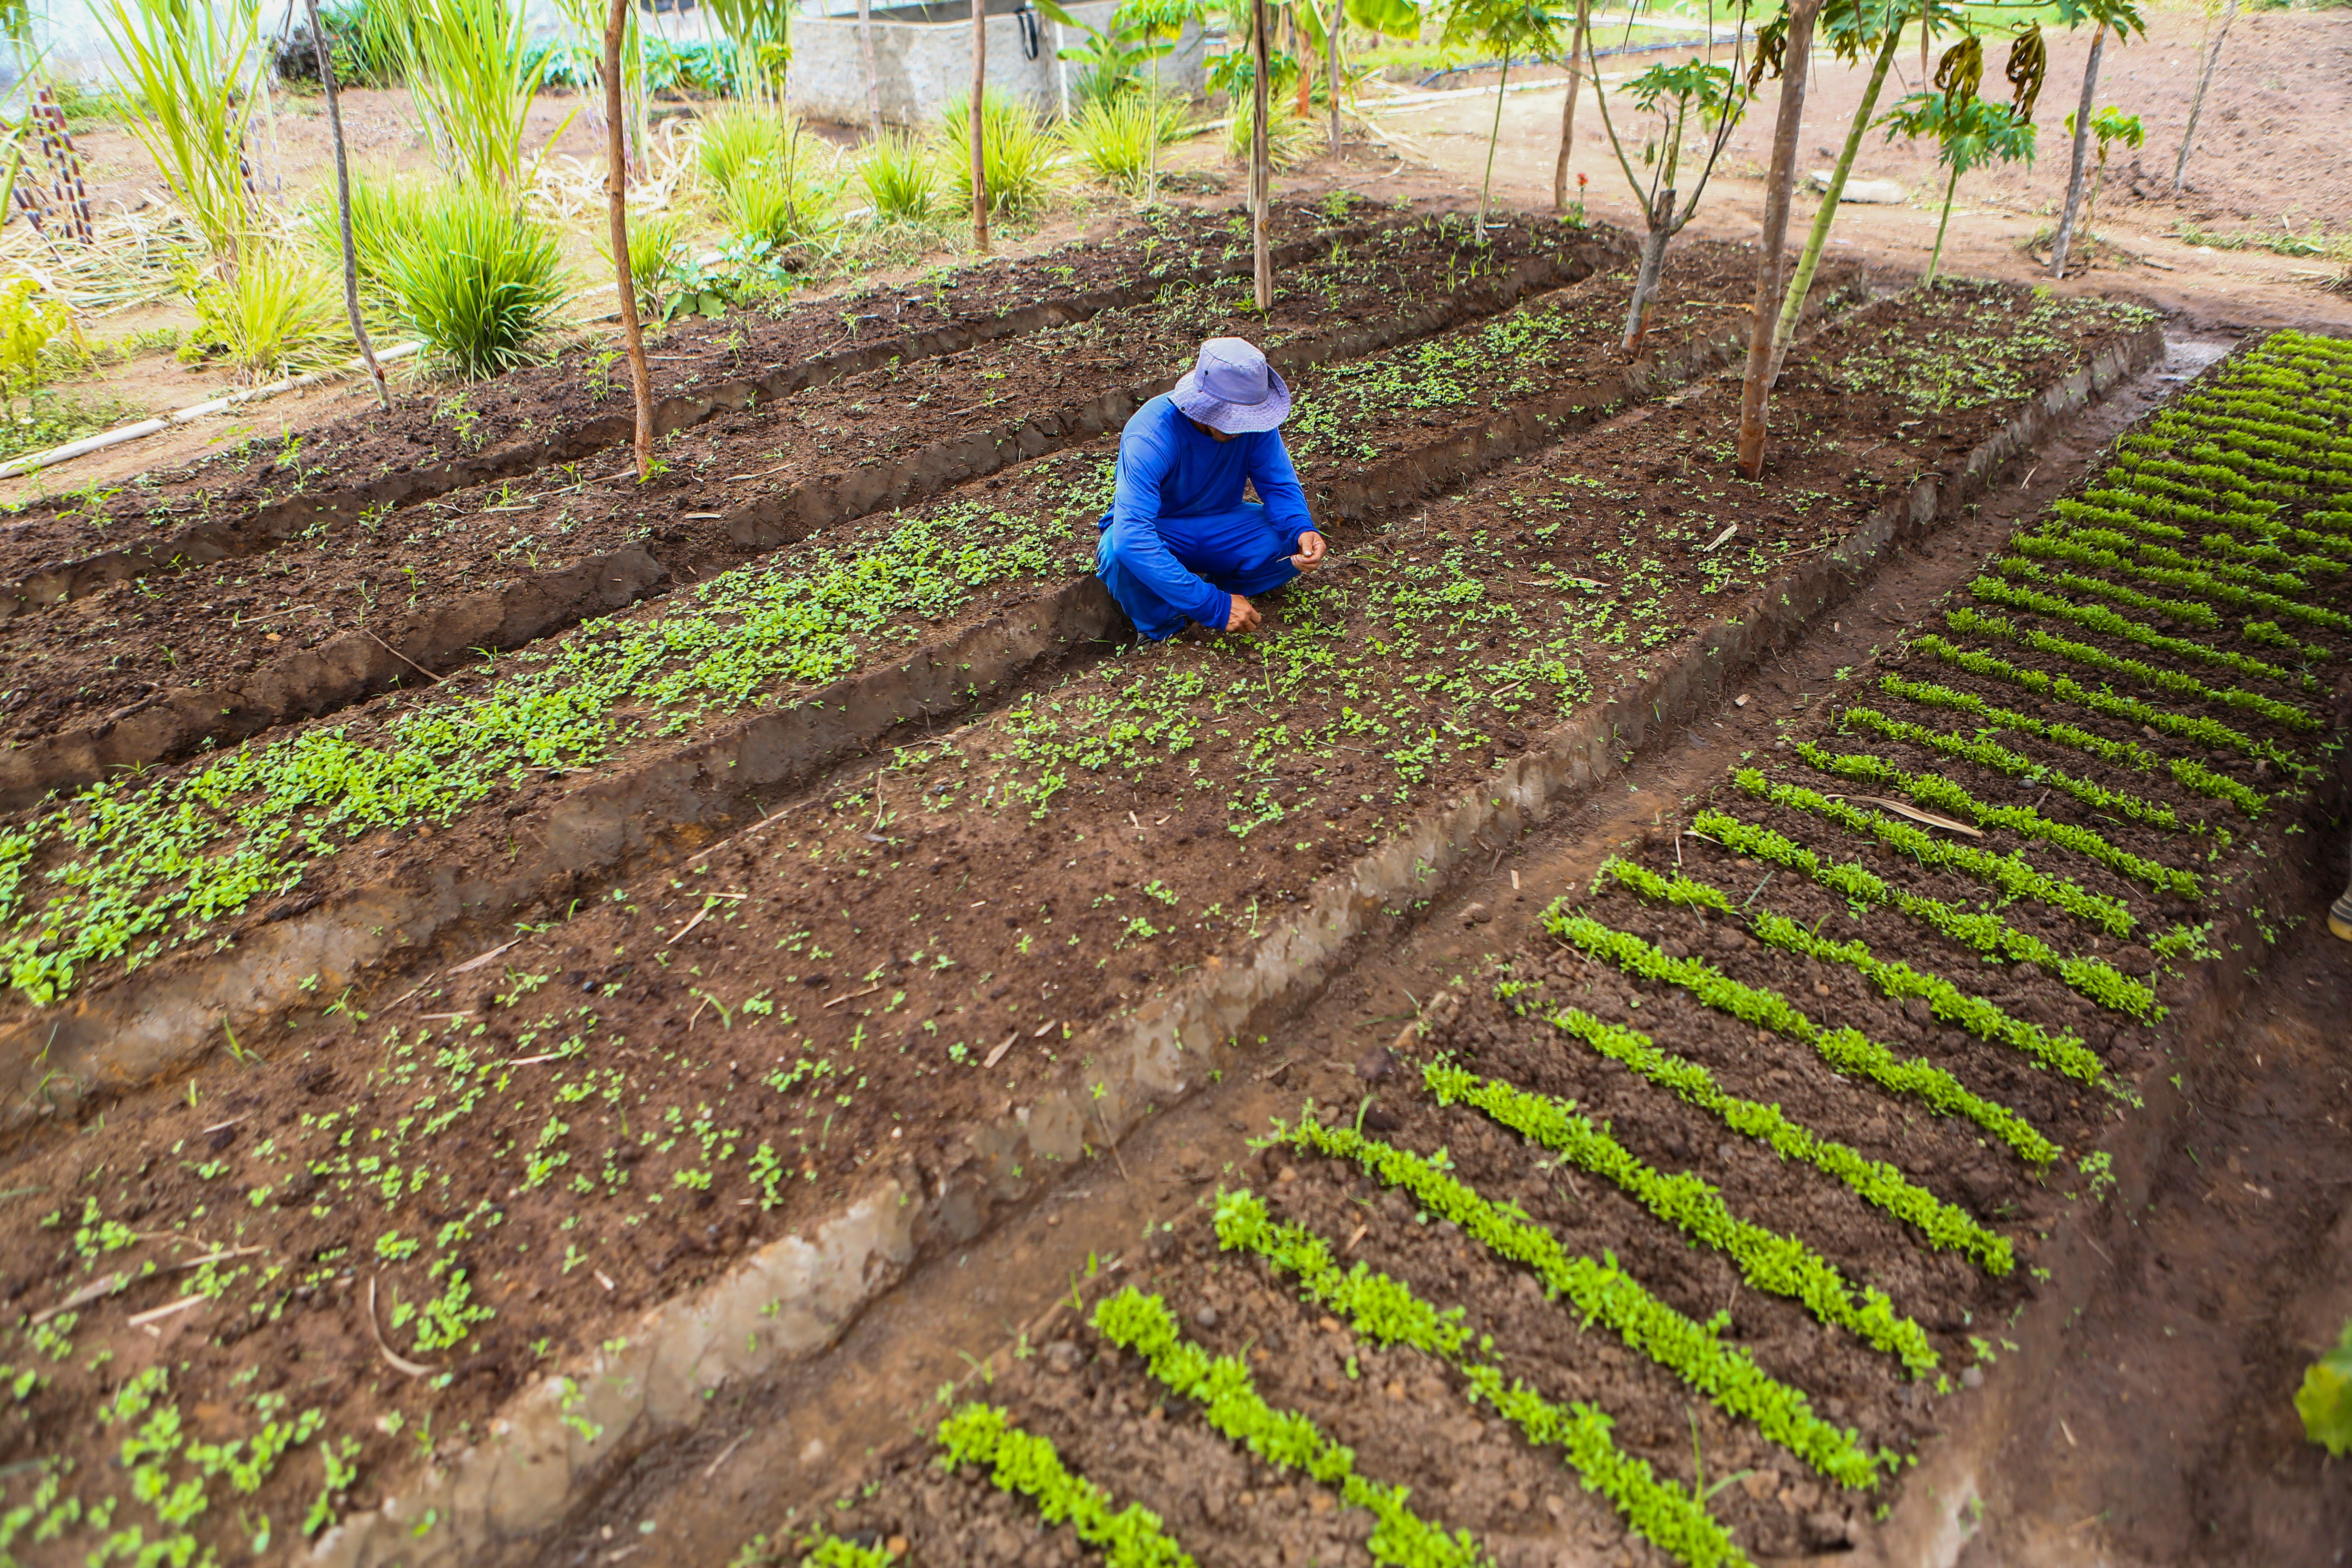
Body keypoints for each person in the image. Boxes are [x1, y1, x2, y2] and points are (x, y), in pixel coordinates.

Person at [1096, 337, 1327, 641]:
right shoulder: (1151, 434)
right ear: (1204, 406)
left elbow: (1279, 485)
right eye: (1234, 420)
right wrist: (1212, 606)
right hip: (1160, 528)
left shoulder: (1254, 426)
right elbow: (1133, 538)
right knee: (1117, 553)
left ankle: (1215, 587)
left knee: (1288, 542)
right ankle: (1165, 630)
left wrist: (1300, 529)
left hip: (1221, 521)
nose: (1245, 428)